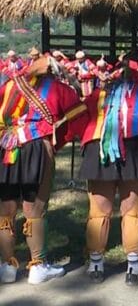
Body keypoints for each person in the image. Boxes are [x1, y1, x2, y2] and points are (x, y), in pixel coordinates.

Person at [74, 51, 138, 285]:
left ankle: (96, 265)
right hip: (134, 149)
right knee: (132, 210)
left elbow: (77, 121)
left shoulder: (96, 96)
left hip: (99, 150)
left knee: (99, 211)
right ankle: (134, 268)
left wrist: (86, 141)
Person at [0, 55, 86, 284]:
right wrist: (57, 142)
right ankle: (38, 266)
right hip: (38, 145)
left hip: (7, 146)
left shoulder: (10, 85)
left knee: (6, 209)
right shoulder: (60, 89)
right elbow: (79, 118)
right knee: (34, 208)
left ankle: (7, 266)